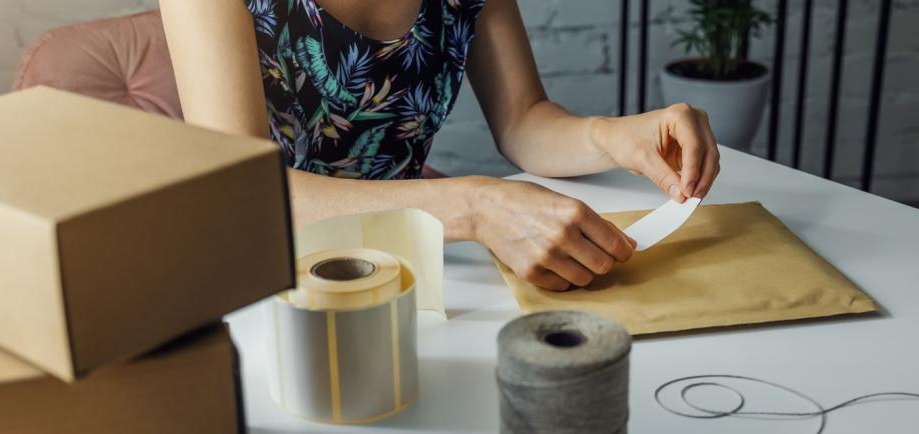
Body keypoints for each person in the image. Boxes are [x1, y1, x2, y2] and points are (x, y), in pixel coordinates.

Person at [159, 0, 720, 290]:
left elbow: (524, 119)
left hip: (409, 267)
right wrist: (474, 207)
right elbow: (244, 197)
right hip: (261, 277)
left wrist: (614, 136)